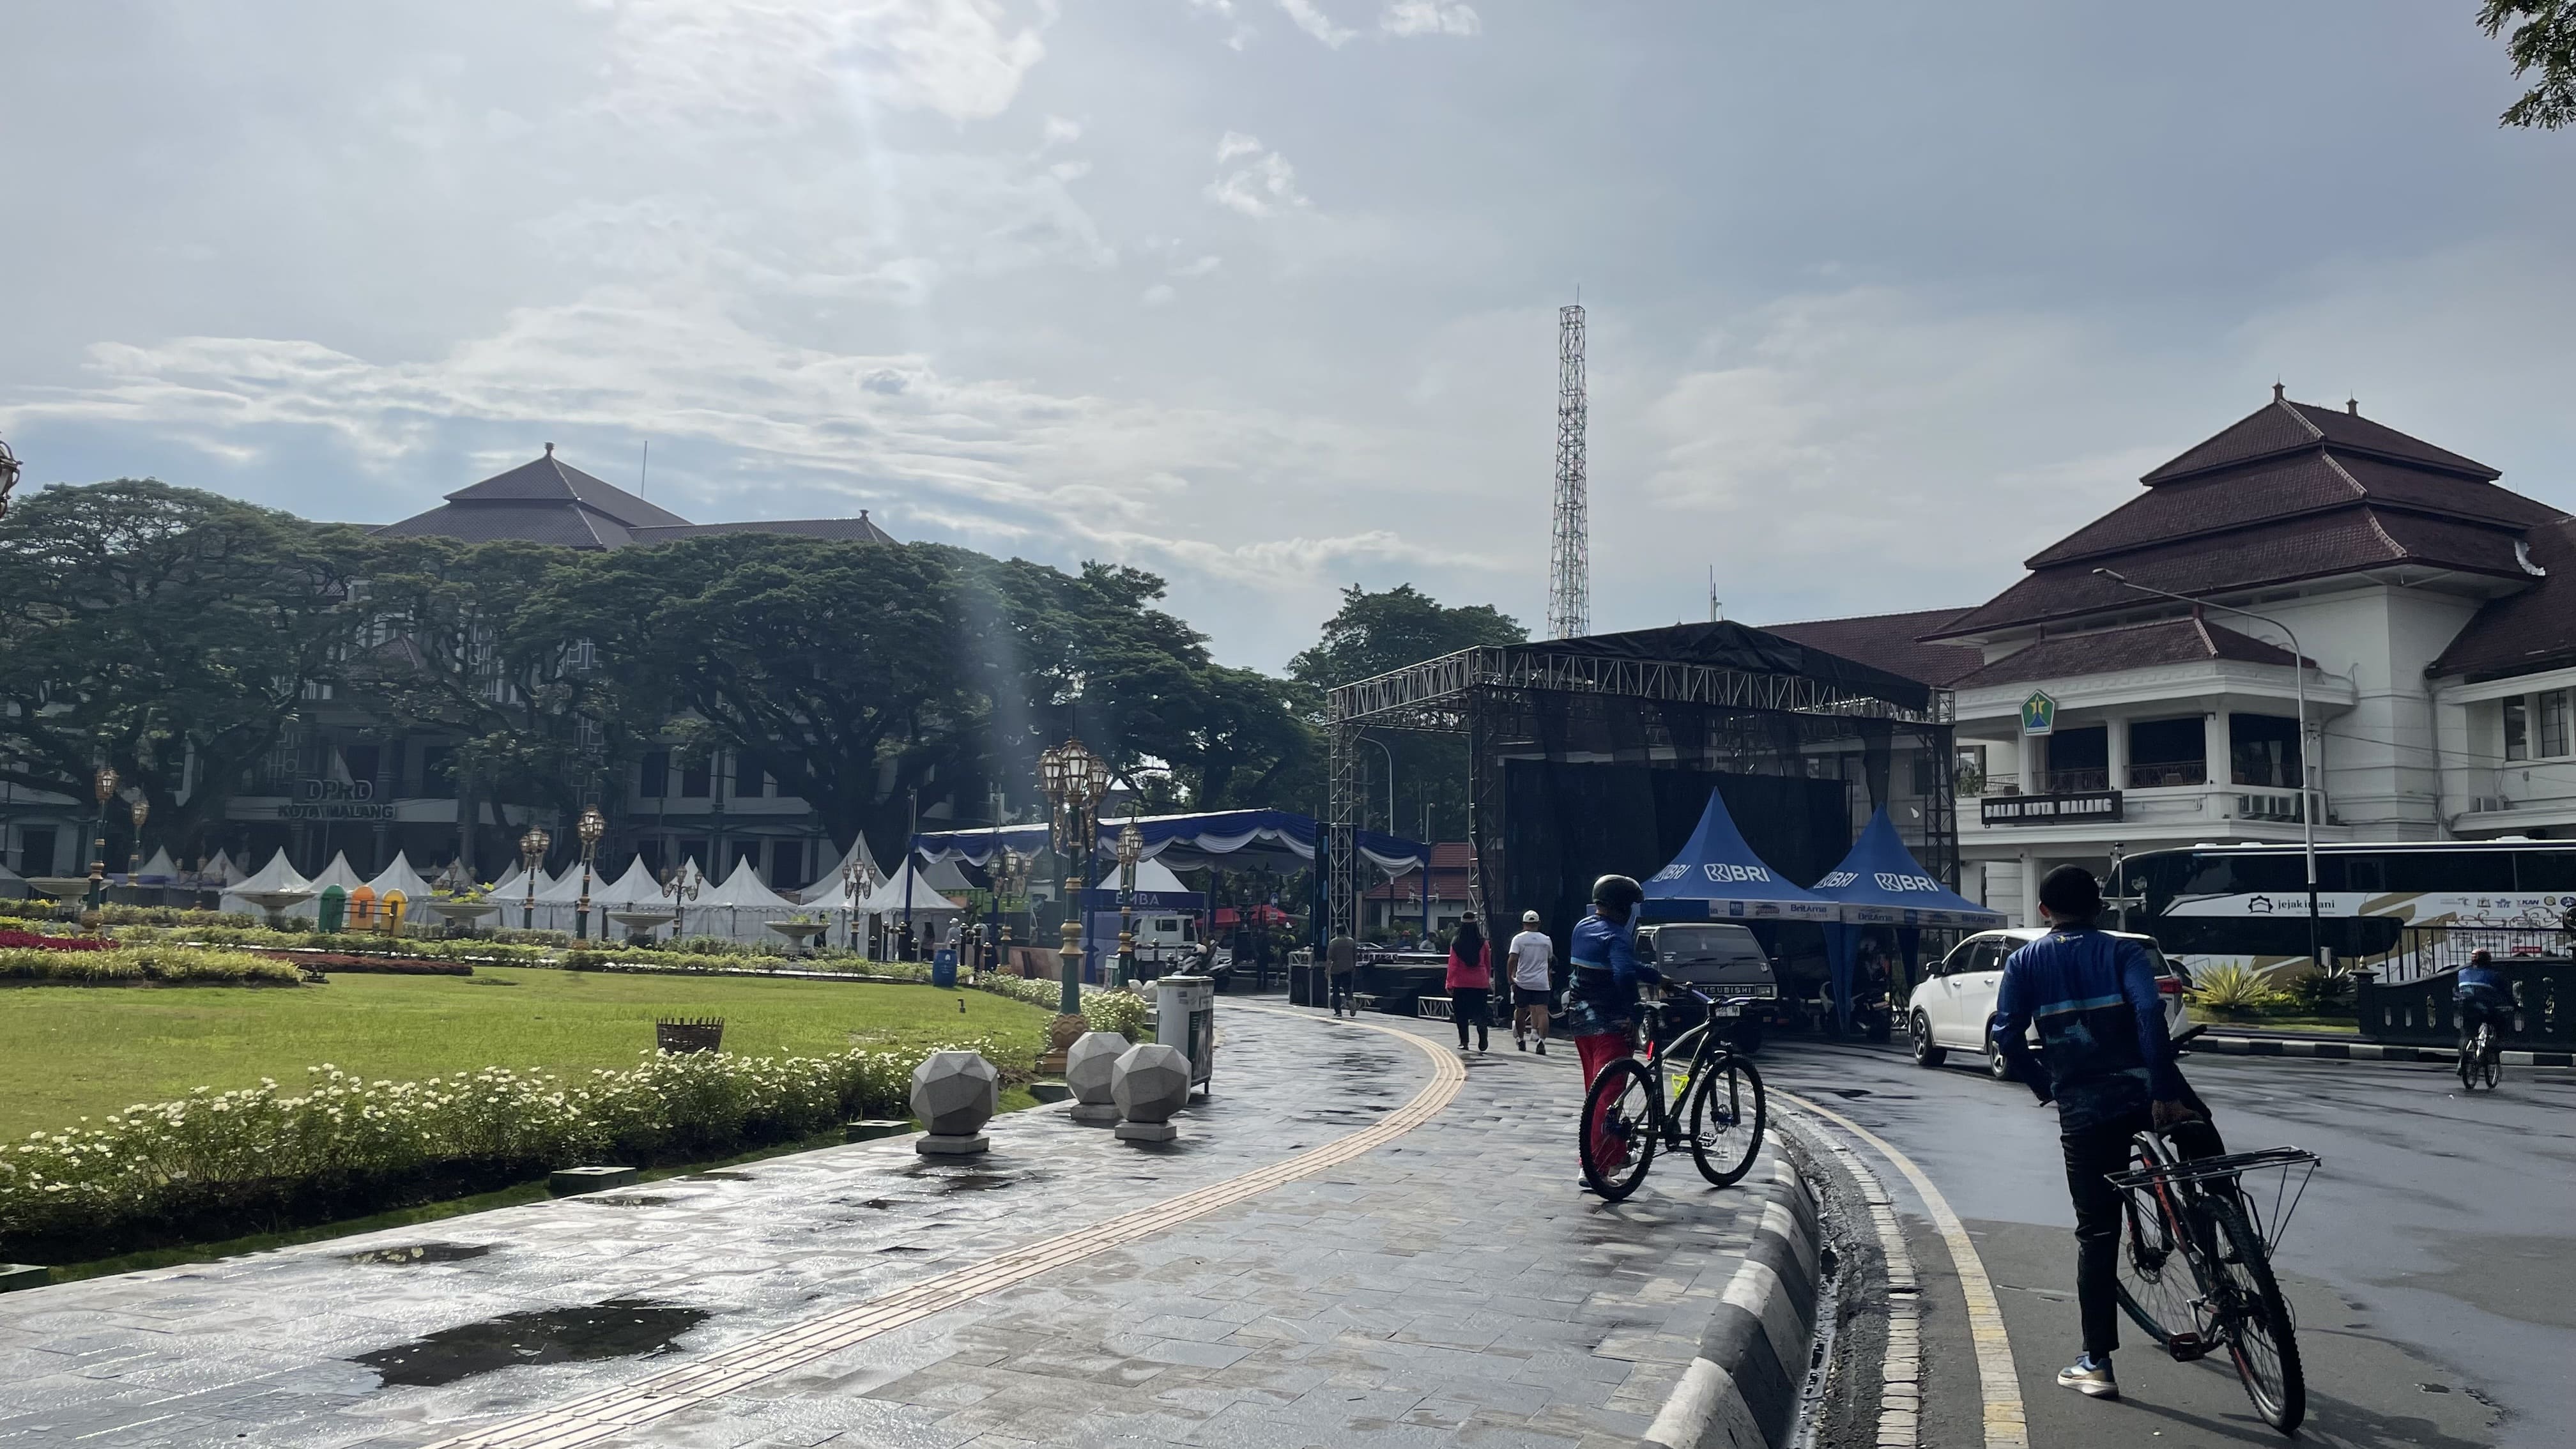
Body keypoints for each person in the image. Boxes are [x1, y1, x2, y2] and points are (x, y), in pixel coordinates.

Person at [1991, 864, 2220, 1404]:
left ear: (2045, 911)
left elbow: (2007, 1035)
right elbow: (2149, 1011)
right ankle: (2221, 1249)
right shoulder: (2122, 952)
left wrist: (2049, 1089)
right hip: (2149, 1088)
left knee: (2097, 1233)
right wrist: (2163, 1088)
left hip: (2085, 1108)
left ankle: (2097, 1363)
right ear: (2099, 908)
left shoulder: (2024, 962)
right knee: (2206, 1149)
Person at [1567, 874, 1662, 1183]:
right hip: (1610, 1025)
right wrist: (1634, 1015)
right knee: (1608, 1095)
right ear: (1623, 907)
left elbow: (1620, 964)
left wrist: (1658, 979)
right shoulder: (1619, 936)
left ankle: (1616, 1153)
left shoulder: (1582, 928)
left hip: (1580, 1023)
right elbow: (1623, 973)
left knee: (1598, 1093)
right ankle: (1593, 1166)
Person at [1508, 910, 1556, 1053]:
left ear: (1524, 924)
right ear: (1538, 924)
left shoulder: (1518, 939)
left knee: (1520, 1011)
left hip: (1523, 981)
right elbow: (1549, 962)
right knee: (1542, 1012)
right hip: (1541, 982)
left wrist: (1510, 977)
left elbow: (1512, 959)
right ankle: (1541, 1041)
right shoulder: (1546, 940)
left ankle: (1521, 1040)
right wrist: (1548, 980)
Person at [1446, 913, 1494, 1052]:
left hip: (1461, 983)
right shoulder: (1483, 942)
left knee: (1461, 1013)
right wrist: (1488, 978)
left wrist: (1449, 982)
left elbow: (1453, 965)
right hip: (1480, 982)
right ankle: (1482, 1029)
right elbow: (1487, 963)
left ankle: (1464, 1042)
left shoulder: (1456, 943)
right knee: (1480, 1011)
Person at [2455, 947, 2511, 1059]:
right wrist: (2514, 1006)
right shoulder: (2494, 975)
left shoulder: (2462, 973)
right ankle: (2494, 1049)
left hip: (2466, 1007)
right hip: (2486, 1009)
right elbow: (2505, 994)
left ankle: (2462, 1059)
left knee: (2467, 1032)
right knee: (2500, 1023)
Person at [1326, 930, 1360, 1017]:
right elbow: (1355, 956)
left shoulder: (1333, 942)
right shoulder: (1351, 942)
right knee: (1348, 989)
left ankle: (1338, 1012)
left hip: (1336, 970)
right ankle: (1350, 1001)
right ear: (1346, 931)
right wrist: (1353, 966)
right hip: (1348, 969)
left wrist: (1327, 970)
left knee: (1336, 990)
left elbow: (1329, 958)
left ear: (1337, 932)